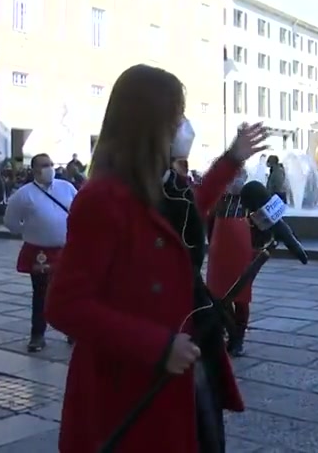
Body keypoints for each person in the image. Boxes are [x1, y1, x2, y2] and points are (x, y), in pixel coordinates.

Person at [44, 64, 267, 452]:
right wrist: (157, 345)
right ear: (149, 123)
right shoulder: (102, 199)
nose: (184, 126)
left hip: (183, 374)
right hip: (130, 386)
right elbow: (65, 306)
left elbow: (188, 216)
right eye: (176, 116)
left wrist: (232, 159)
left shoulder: (166, 186)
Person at [3, 153, 78, 353]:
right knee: (41, 293)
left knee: (70, 291)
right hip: (39, 251)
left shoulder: (66, 188)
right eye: (44, 165)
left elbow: (79, 210)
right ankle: (38, 334)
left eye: (51, 164)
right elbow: (11, 222)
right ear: (34, 169)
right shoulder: (24, 194)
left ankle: (72, 330)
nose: (49, 168)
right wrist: (29, 231)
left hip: (66, 249)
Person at [206, 168, 265, 358]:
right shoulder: (218, 198)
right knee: (218, 296)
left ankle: (237, 338)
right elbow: (209, 223)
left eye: (239, 177)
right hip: (219, 253)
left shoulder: (252, 196)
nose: (235, 182)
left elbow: (268, 221)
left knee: (240, 296)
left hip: (242, 252)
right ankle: (229, 333)